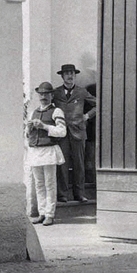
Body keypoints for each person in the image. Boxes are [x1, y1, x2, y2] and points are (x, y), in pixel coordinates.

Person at [24, 81, 67, 225]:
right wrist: (28, 129)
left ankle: (50, 214)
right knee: (39, 184)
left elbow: (62, 132)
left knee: (50, 184)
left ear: (52, 95)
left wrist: (44, 126)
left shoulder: (56, 111)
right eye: (41, 94)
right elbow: (27, 135)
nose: (43, 97)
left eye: (46, 94)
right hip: (35, 151)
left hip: (49, 151)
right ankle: (42, 212)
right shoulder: (33, 112)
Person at [53, 64, 96, 203]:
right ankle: (62, 195)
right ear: (62, 76)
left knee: (79, 164)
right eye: (66, 73)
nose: (70, 76)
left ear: (75, 75)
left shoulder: (81, 92)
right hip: (62, 133)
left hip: (78, 132)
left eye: (72, 73)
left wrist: (87, 116)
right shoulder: (56, 93)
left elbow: (98, 104)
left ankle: (79, 194)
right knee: (62, 164)